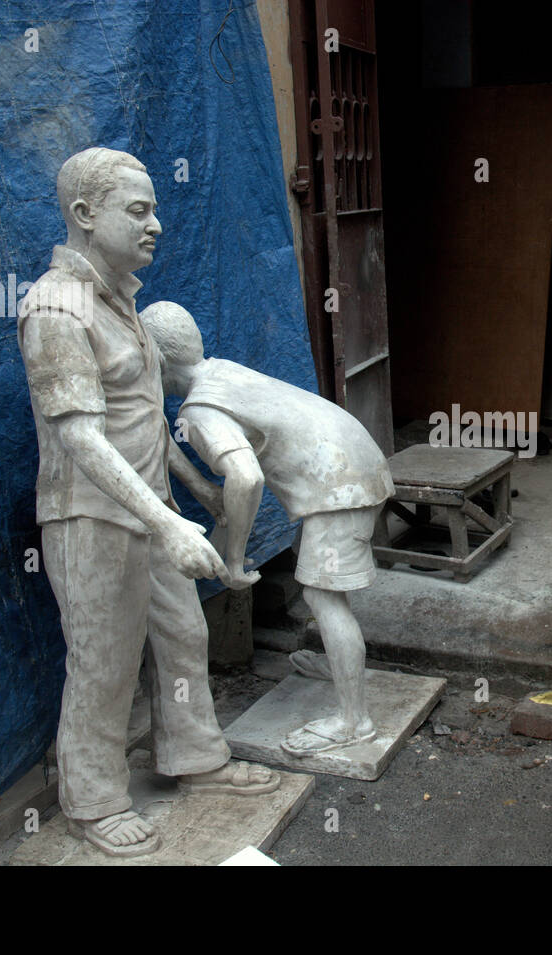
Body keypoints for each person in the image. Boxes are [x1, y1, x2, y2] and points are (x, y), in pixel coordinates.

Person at [17, 147, 278, 858]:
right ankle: (94, 801)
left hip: (150, 509)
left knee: (183, 637)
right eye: (138, 211)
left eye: (155, 209)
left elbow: (141, 418)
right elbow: (80, 437)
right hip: (92, 517)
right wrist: (165, 521)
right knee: (105, 662)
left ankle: (196, 759)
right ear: (83, 214)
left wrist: (195, 491)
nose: (156, 224)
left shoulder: (123, 297)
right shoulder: (54, 306)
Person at [139, 300, 394, 756]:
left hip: (337, 484)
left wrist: (234, 561)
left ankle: (355, 721)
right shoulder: (219, 372)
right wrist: (203, 491)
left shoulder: (198, 410)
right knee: (325, 587)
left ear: (154, 359)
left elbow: (245, 478)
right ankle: (342, 666)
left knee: (323, 595)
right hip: (352, 461)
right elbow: (167, 439)